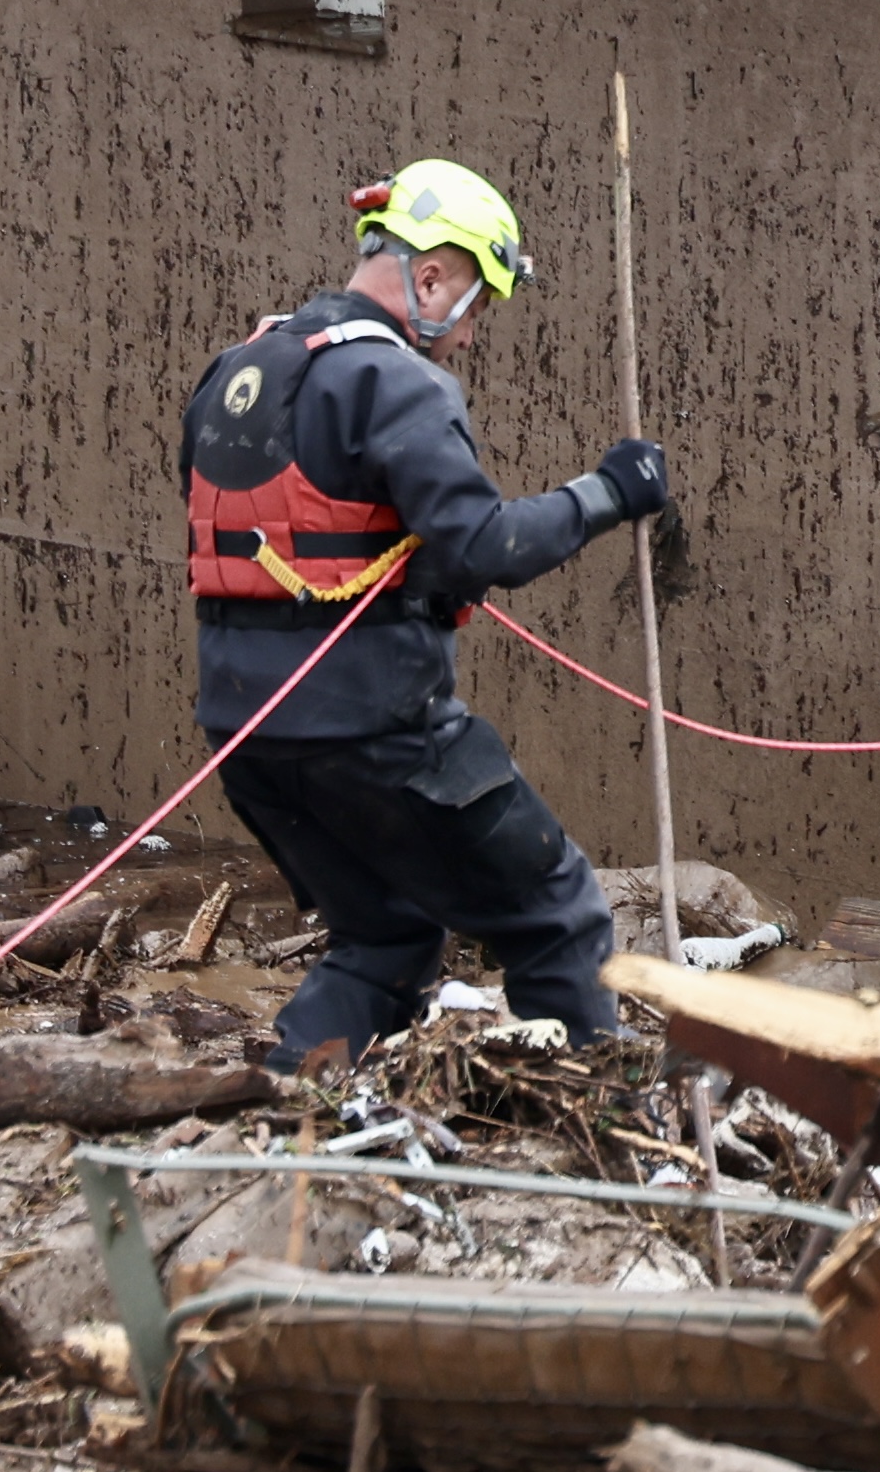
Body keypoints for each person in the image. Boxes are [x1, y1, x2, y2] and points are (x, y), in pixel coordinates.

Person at [182, 161, 675, 1067]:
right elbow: (484, 546)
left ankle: (282, 1115)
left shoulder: (238, 368)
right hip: (374, 731)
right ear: (432, 274)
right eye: (478, 304)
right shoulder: (394, 380)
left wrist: (424, 587)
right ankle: (595, 1134)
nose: (473, 335)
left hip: (246, 735)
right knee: (558, 915)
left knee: (386, 939)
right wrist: (609, 492)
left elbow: (288, 543)